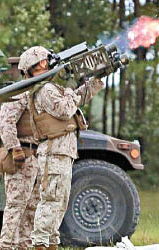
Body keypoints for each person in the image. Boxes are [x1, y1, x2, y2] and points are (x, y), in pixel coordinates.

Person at [16, 46, 104, 250]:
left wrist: (95, 82)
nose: (48, 63)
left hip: (61, 153)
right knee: (51, 202)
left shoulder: (49, 88)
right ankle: (40, 243)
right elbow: (65, 110)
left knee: (59, 202)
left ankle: (50, 244)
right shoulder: (45, 90)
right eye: (44, 60)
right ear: (37, 65)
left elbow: (75, 100)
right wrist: (72, 85)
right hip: (55, 153)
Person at [0, 88, 40, 249]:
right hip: (22, 155)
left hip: (37, 156)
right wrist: (14, 148)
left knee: (32, 207)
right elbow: (6, 122)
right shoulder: (19, 94)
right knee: (15, 205)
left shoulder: (42, 95)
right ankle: (7, 245)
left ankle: (24, 245)